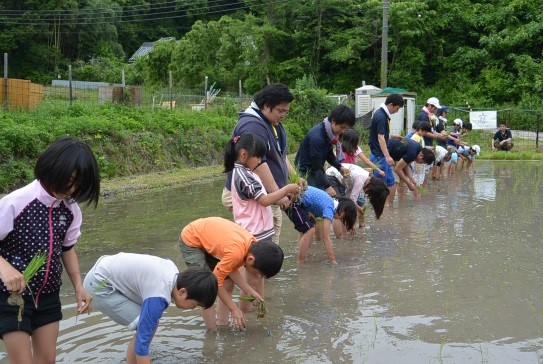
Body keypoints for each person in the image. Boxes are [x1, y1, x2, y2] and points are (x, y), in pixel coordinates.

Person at [0, 136, 100, 363]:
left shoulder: (70, 210)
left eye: (79, 184)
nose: (72, 188)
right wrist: (4, 268)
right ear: (53, 166)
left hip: (47, 296)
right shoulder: (16, 203)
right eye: (70, 179)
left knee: (47, 360)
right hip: (11, 296)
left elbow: (67, 248)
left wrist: (78, 286)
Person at [83, 253, 218, 364]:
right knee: (146, 329)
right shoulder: (158, 297)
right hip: (99, 286)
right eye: (194, 305)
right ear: (182, 292)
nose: (192, 309)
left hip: (106, 269)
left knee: (148, 325)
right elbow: (142, 345)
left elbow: (164, 260)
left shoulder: (173, 272)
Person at [222, 83, 299, 244]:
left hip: (267, 193)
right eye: (280, 110)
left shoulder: (271, 123)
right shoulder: (253, 126)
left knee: (265, 244)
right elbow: (258, 163)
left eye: (286, 111)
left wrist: (295, 178)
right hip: (257, 194)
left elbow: (280, 155)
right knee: (264, 248)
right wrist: (279, 194)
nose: (283, 114)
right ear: (266, 106)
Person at [179, 217, 284, 332]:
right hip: (192, 238)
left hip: (211, 239)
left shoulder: (253, 246)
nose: (257, 277)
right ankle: (212, 332)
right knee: (205, 289)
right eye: (257, 273)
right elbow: (215, 282)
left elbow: (232, 269)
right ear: (250, 260)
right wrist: (234, 309)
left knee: (228, 285)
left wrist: (250, 291)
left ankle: (222, 326)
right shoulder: (236, 252)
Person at [223, 133, 301, 243]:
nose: (260, 161)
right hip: (255, 235)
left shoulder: (246, 172)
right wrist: (287, 189)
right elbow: (264, 200)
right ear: (244, 154)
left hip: (259, 233)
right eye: (258, 157)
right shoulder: (243, 176)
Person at [285, 186, 357, 266]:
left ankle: (303, 255)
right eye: (344, 218)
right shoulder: (329, 208)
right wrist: (333, 261)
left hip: (296, 198)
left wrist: (309, 214)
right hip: (293, 200)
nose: (342, 220)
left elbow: (310, 200)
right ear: (342, 210)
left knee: (306, 229)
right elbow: (326, 238)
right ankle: (300, 263)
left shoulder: (330, 202)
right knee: (310, 230)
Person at [294, 105, 356, 196]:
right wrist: (327, 187)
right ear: (334, 121)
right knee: (314, 200)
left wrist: (339, 167)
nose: (343, 131)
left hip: (316, 170)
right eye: (342, 127)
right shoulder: (317, 137)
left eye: (346, 128)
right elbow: (317, 165)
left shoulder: (329, 133)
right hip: (305, 172)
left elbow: (328, 154)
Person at [368, 93, 405, 206]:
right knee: (381, 184)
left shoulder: (381, 114)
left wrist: (392, 136)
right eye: (397, 108)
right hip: (379, 155)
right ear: (391, 105)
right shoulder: (382, 116)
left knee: (390, 182)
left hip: (379, 154)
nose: (397, 111)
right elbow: (380, 138)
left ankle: (388, 207)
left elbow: (381, 134)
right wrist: (388, 156)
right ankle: (384, 207)